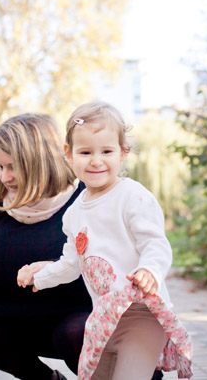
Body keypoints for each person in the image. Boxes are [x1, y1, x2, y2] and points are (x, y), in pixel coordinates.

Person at [0, 113, 163, 380]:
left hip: (75, 320)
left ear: (39, 162)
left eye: (12, 166)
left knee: (79, 331)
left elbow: (124, 264)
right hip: (10, 320)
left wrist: (57, 269)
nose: (5, 177)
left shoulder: (89, 201)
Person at [18, 102, 193, 380]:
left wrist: (150, 270)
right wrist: (40, 278)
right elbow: (71, 264)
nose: (96, 160)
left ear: (123, 152)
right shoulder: (74, 213)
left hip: (142, 314)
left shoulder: (132, 196)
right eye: (85, 152)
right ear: (69, 154)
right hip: (103, 318)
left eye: (107, 151)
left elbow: (155, 244)